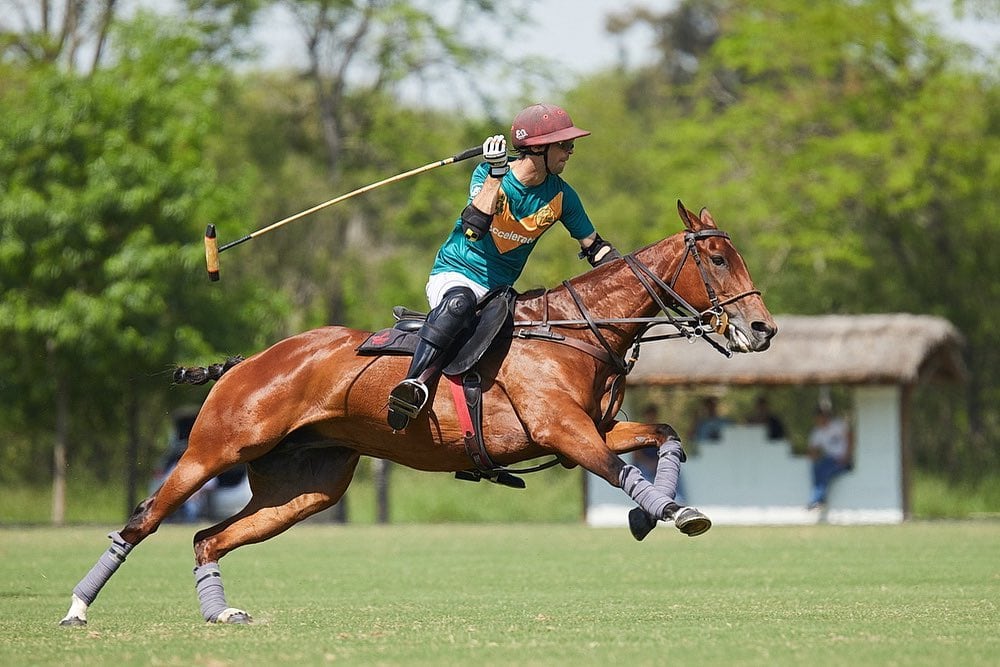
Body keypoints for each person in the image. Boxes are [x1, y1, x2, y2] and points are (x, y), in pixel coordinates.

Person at [387, 103, 621, 430]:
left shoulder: (563, 197)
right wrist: (496, 174)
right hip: (456, 273)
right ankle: (413, 385)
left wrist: (633, 277)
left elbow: (595, 248)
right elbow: (475, 225)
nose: (570, 152)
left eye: (571, 145)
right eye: (565, 145)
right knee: (460, 304)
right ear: (538, 147)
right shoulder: (489, 174)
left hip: (500, 293)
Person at [807, 404, 855, 509]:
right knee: (818, 469)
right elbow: (812, 450)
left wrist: (847, 456)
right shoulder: (817, 432)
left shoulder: (838, 425)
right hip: (830, 460)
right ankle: (818, 500)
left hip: (844, 460)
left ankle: (817, 500)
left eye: (821, 417)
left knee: (824, 471)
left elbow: (851, 438)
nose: (819, 420)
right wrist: (815, 455)